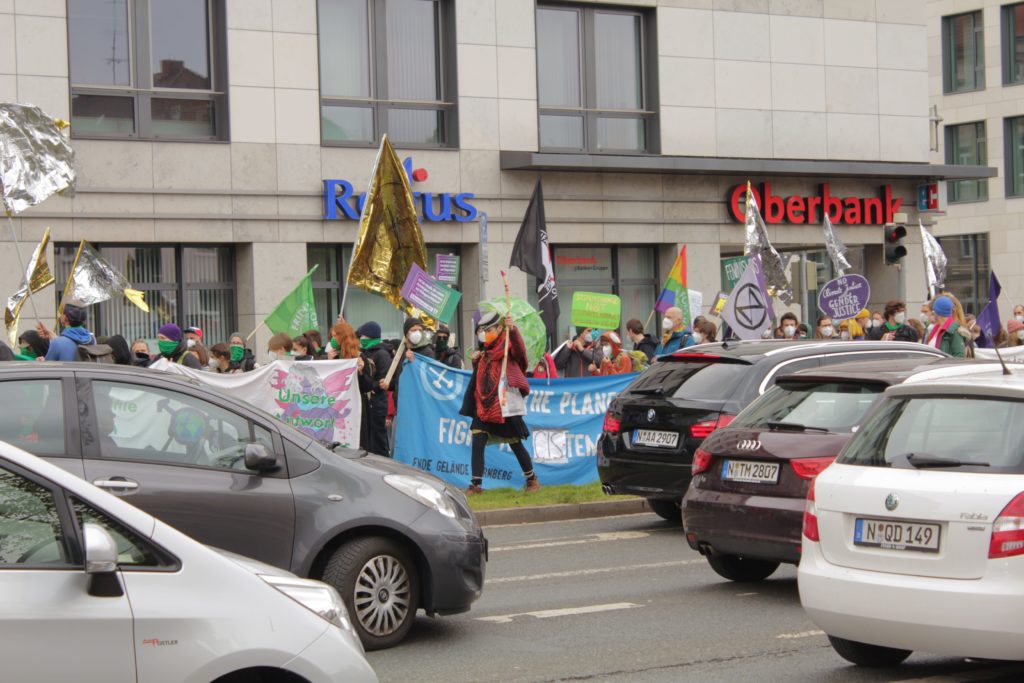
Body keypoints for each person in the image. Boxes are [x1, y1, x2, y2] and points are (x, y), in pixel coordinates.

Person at [459, 311, 540, 495]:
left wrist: (514, 330)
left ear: (499, 328)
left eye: (489, 330)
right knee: (478, 438)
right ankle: (476, 485)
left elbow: (520, 353)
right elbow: (483, 377)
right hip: (484, 404)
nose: (485, 333)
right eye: (483, 330)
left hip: (504, 405)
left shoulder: (508, 347)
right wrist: (476, 362)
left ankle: (532, 479)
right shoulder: (484, 353)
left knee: (515, 443)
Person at [355, 321, 393, 457]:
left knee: (378, 441)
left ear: (370, 336)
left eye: (363, 336)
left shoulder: (382, 354)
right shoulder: (364, 353)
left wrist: (372, 386)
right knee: (369, 442)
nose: (361, 339)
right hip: (368, 404)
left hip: (377, 404)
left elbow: (384, 380)